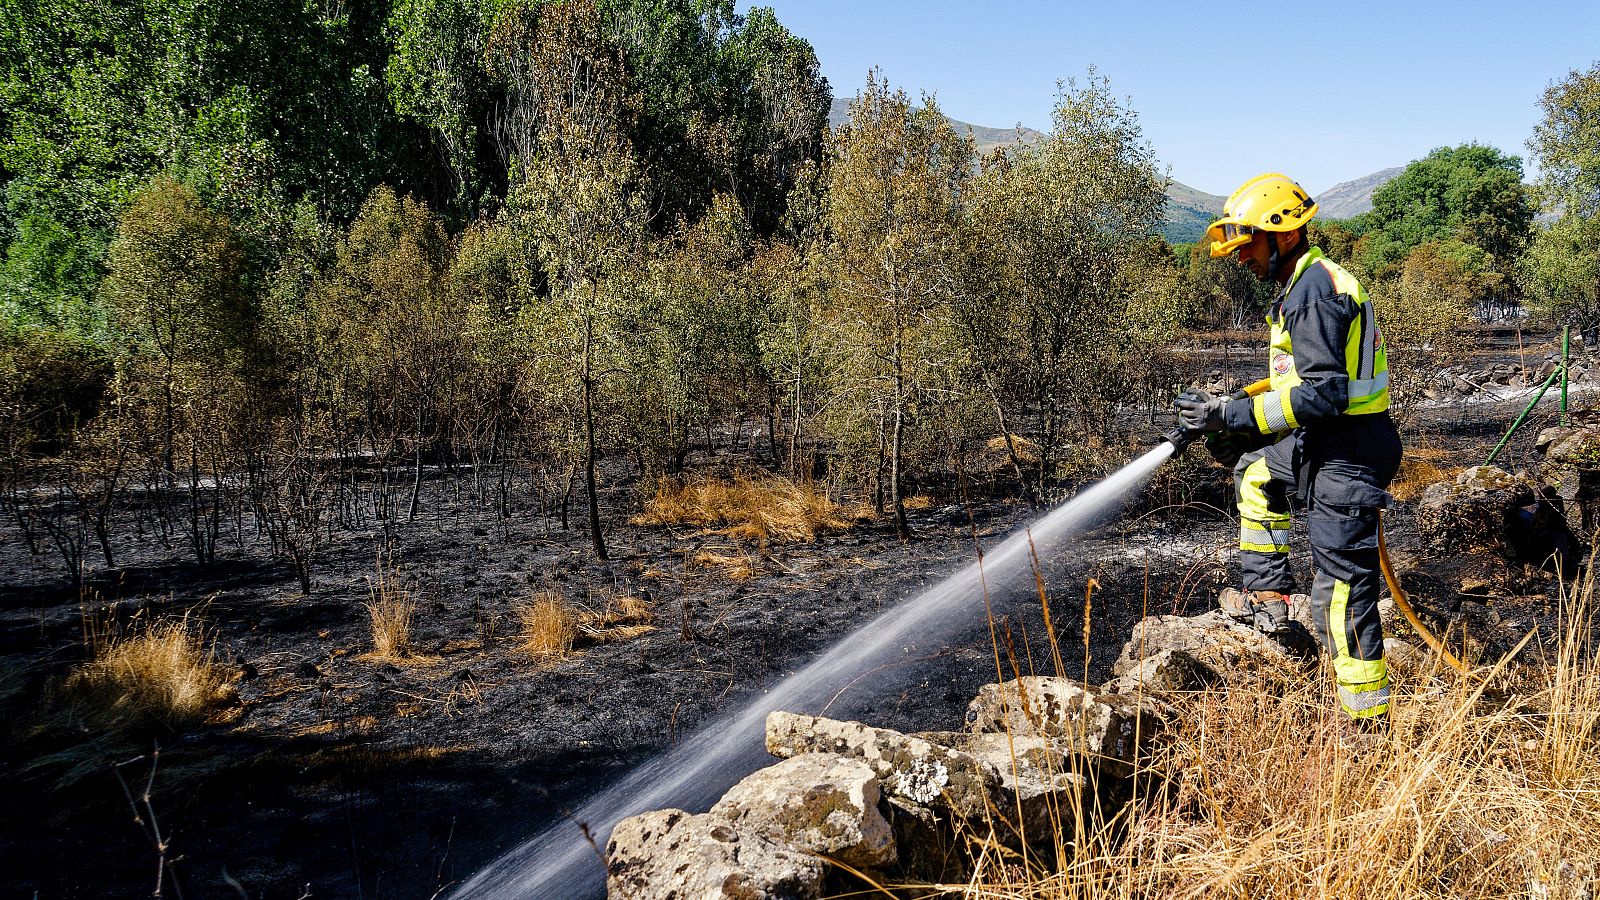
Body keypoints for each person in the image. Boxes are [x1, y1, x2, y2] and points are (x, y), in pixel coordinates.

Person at [1174, 172, 1402, 729]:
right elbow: (1298, 381)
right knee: (1255, 476)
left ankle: (1366, 728)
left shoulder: (1314, 294)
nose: (1239, 258)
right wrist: (1227, 407)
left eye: (1246, 244)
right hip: (1324, 441)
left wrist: (1230, 416)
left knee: (1342, 597)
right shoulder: (1304, 284)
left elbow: (1323, 395)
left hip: (1347, 453)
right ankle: (1269, 602)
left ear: (1282, 235)